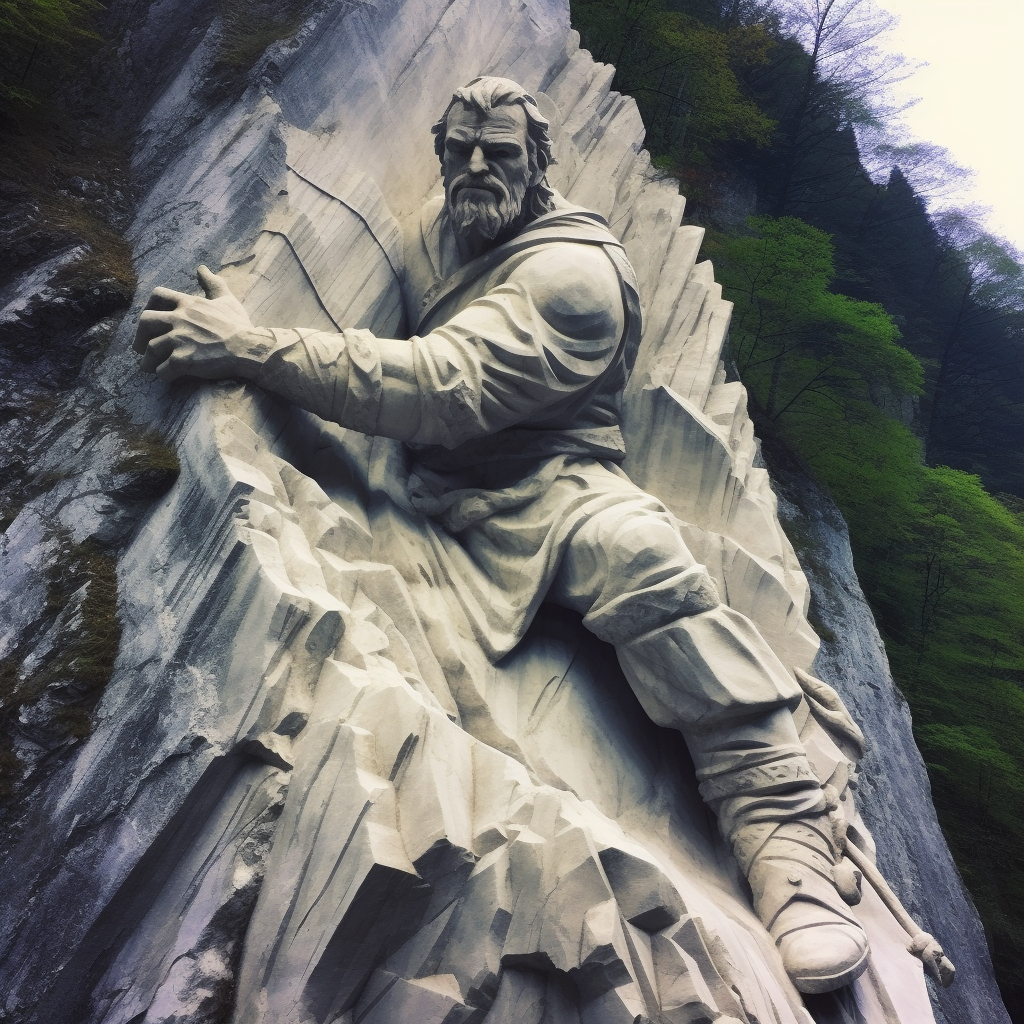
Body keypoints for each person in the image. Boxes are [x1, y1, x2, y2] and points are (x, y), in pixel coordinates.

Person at [134, 77, 870, 994]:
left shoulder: (577, 278)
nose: (476, 168)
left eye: (502, 154)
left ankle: (782, 838)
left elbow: (444, 386)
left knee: (639, 554)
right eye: (461, 150)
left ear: (538, 165)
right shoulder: (441, 232)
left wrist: (250, 346)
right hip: (434, 491)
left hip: (553, 491)